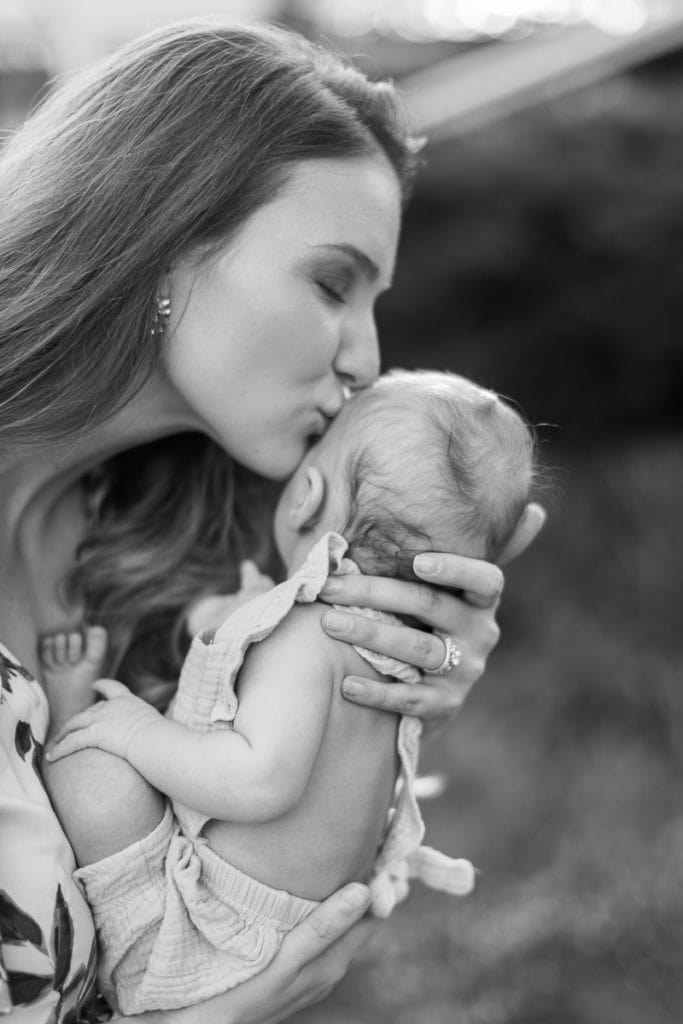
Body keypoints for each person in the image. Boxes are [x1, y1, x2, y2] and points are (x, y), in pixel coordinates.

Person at [0, 19, 545, 1024]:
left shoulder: (219, 548)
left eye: (374, 301)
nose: (364, 359)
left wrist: (390, 678)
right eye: (331, 284)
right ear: (161, 241)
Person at [41, 368, 538, 1015]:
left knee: (93, 771)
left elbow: (258, 782)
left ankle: (68, 717)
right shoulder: (384, 649)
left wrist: (136, 732)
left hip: (208, 927)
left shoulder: (306, 635)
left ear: (305, 495)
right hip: (276, 930)